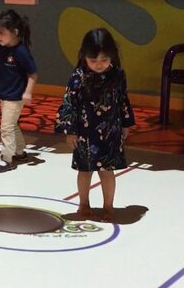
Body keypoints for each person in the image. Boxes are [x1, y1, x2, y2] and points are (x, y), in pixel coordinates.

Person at [54, 28, 136, 222]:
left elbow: (123, 100)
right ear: (84, 56)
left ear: (112, 56)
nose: (99, 65)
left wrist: (126, 123)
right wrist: (70, 131)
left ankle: (108, 207)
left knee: (108, 171)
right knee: (85, 171)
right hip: (85, 132)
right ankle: (83, 204)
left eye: (104, 60)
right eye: (93, 60)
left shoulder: (118, 75)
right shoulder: (78, 77)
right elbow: (70, 103)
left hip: (110, 131)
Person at [0, 9, 38, 173]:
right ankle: (20, 152)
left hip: (15, 96)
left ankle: (8, 159)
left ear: (15, 32)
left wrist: (28, 92)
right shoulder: (1, 49)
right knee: (12, 125)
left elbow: (33, 73)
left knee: (6, 127)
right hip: (4, 94)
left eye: (1, 32)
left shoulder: (21, 51)